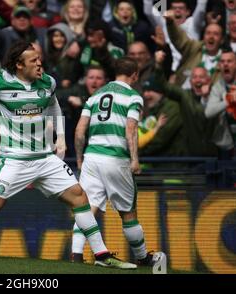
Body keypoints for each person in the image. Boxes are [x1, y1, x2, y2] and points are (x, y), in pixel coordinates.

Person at [0, 40, 136, 270]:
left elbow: (54, 106)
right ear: (19, 65)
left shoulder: (47, 82)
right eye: (34, 61)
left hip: (45, 158)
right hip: (15, 160)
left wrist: (60, 137)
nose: (40, 64)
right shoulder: (0, 83)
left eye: (39, 59)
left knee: (79, 197)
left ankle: (101, 254)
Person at [73, 57, 166, 266]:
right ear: (134, 75)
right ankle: (142, 257)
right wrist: (135, 160)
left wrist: (79, 158)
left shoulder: (95, 96)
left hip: (91, 157)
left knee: (86, 208)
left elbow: (80, 130)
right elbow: (131, 129)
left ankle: (76, 255)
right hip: (115, 158)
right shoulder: (133, 97)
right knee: (128, 212)